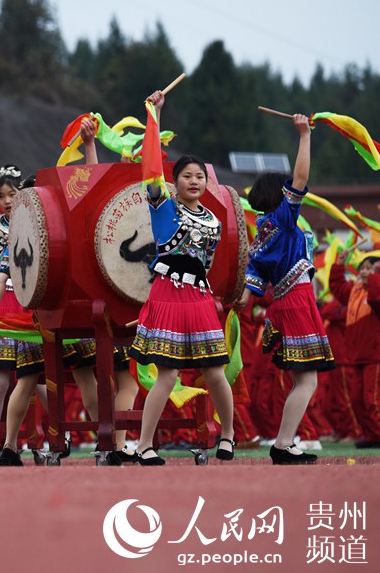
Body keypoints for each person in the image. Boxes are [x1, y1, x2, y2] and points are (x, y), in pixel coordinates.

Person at [129, 90, 235, 466]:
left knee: (215, 371)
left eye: (200, 176)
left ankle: (228, 436)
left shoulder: (213, 219)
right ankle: (145, 445)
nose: (194, 181)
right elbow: (150, 169)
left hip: (200, 297)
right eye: (187, 176)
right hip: (167, 295)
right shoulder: (162, 208)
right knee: (168, 374)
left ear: (207, 182)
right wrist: (154, 117)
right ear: (174, 182)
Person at [235, 113, 335, 464]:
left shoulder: (261, 230)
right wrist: (304, 135)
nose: (294, 190)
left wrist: (241, 300)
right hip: (296, 301)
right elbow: (302, 177)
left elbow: (252, 280)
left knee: (302, 382)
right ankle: (282, 444)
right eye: (288, 189)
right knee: (307, 383)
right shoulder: (281, 218)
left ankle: (286, 442)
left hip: (286, 303)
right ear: (281, 195)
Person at [328, 252, 380, 448]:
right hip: (356, 356)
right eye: (363, 268)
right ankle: (372, 434)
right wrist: (339, 265)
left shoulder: (374, 288)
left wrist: (375, 276)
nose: (365, 272)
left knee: (371, 399)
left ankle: (377, 433)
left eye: (370, 268)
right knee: (357, 400)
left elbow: (376, 299)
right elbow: (337, 288)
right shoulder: (356, 290)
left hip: (374, 355)